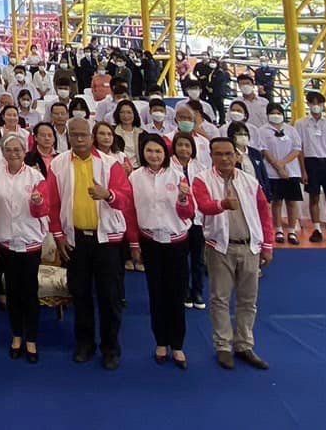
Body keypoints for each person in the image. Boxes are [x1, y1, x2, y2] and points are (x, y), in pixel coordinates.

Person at [37, 116, 136, 370]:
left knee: (109, 297)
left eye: (84, 134)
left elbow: (126, 199)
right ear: (68, 136)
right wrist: (58, 236)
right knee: (80, 294)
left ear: (92, 136)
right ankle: (85, 343)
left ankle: (110, 348)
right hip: (75, 240)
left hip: (107, 241)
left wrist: (108, 195)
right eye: (74, 135)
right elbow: (53, 203)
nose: (79, 139)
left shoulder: (110, 164)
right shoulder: (58, 164)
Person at [192, 137, 274, 370]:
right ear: (211, 156)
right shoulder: (202, 179)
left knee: (248, 300)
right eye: (219, 154)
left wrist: (268, 245)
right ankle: (223, 345)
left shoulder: (250, 181)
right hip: (220, 247)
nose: (225, 158)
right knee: (220, 298)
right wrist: (223, 205)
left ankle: (244, 344)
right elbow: (203, 205)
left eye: (229, 153)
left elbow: (264, 214)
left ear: (237, 156)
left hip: (249, 247)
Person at [129, 133, 195, 369]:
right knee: (156, 294)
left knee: (176, 295)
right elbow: (130, 212)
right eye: (149, 151)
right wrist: (134, 244)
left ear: (165, 153)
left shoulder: (177, 175)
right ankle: (160, 342)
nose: (154, 155)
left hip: (177, 243)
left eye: (158, 151)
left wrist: (184, 199)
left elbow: (189, 213)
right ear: (143, 152)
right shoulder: (135, 177)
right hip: (150, 242)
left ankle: (177, 345)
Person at [0, 132, 47, 362]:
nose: (13, 153)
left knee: (30, 293)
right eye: (8, 150)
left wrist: (38, 203)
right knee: (12, 292)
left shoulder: (35, 176)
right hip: (6, 241)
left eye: (17, 150)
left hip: (30, 241)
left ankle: (31, 339)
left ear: (24, 152)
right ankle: (16, 336)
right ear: (2, 152)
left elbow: (44, 209)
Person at [296, 91, 326, 245]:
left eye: (319, 103)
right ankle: (316, 228)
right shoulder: (301, 124)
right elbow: (300, 148)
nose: (315, 106)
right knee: (314, 197)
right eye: (312, 103)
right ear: (308, 104)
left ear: (324, 105)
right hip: (311, 162)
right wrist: (303, 171)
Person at [257, 102, 303, 245]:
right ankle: (278, 229)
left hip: (291, 171)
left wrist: (283, 164)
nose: (275, 116)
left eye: (278, 113)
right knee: (276, 202)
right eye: (272, 113)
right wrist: (277, 166)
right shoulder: (262, 130)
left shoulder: (291, 130)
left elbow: (297, 148)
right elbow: (264, 150)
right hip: (272, 171)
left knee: (291, 201)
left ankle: (292, 230)